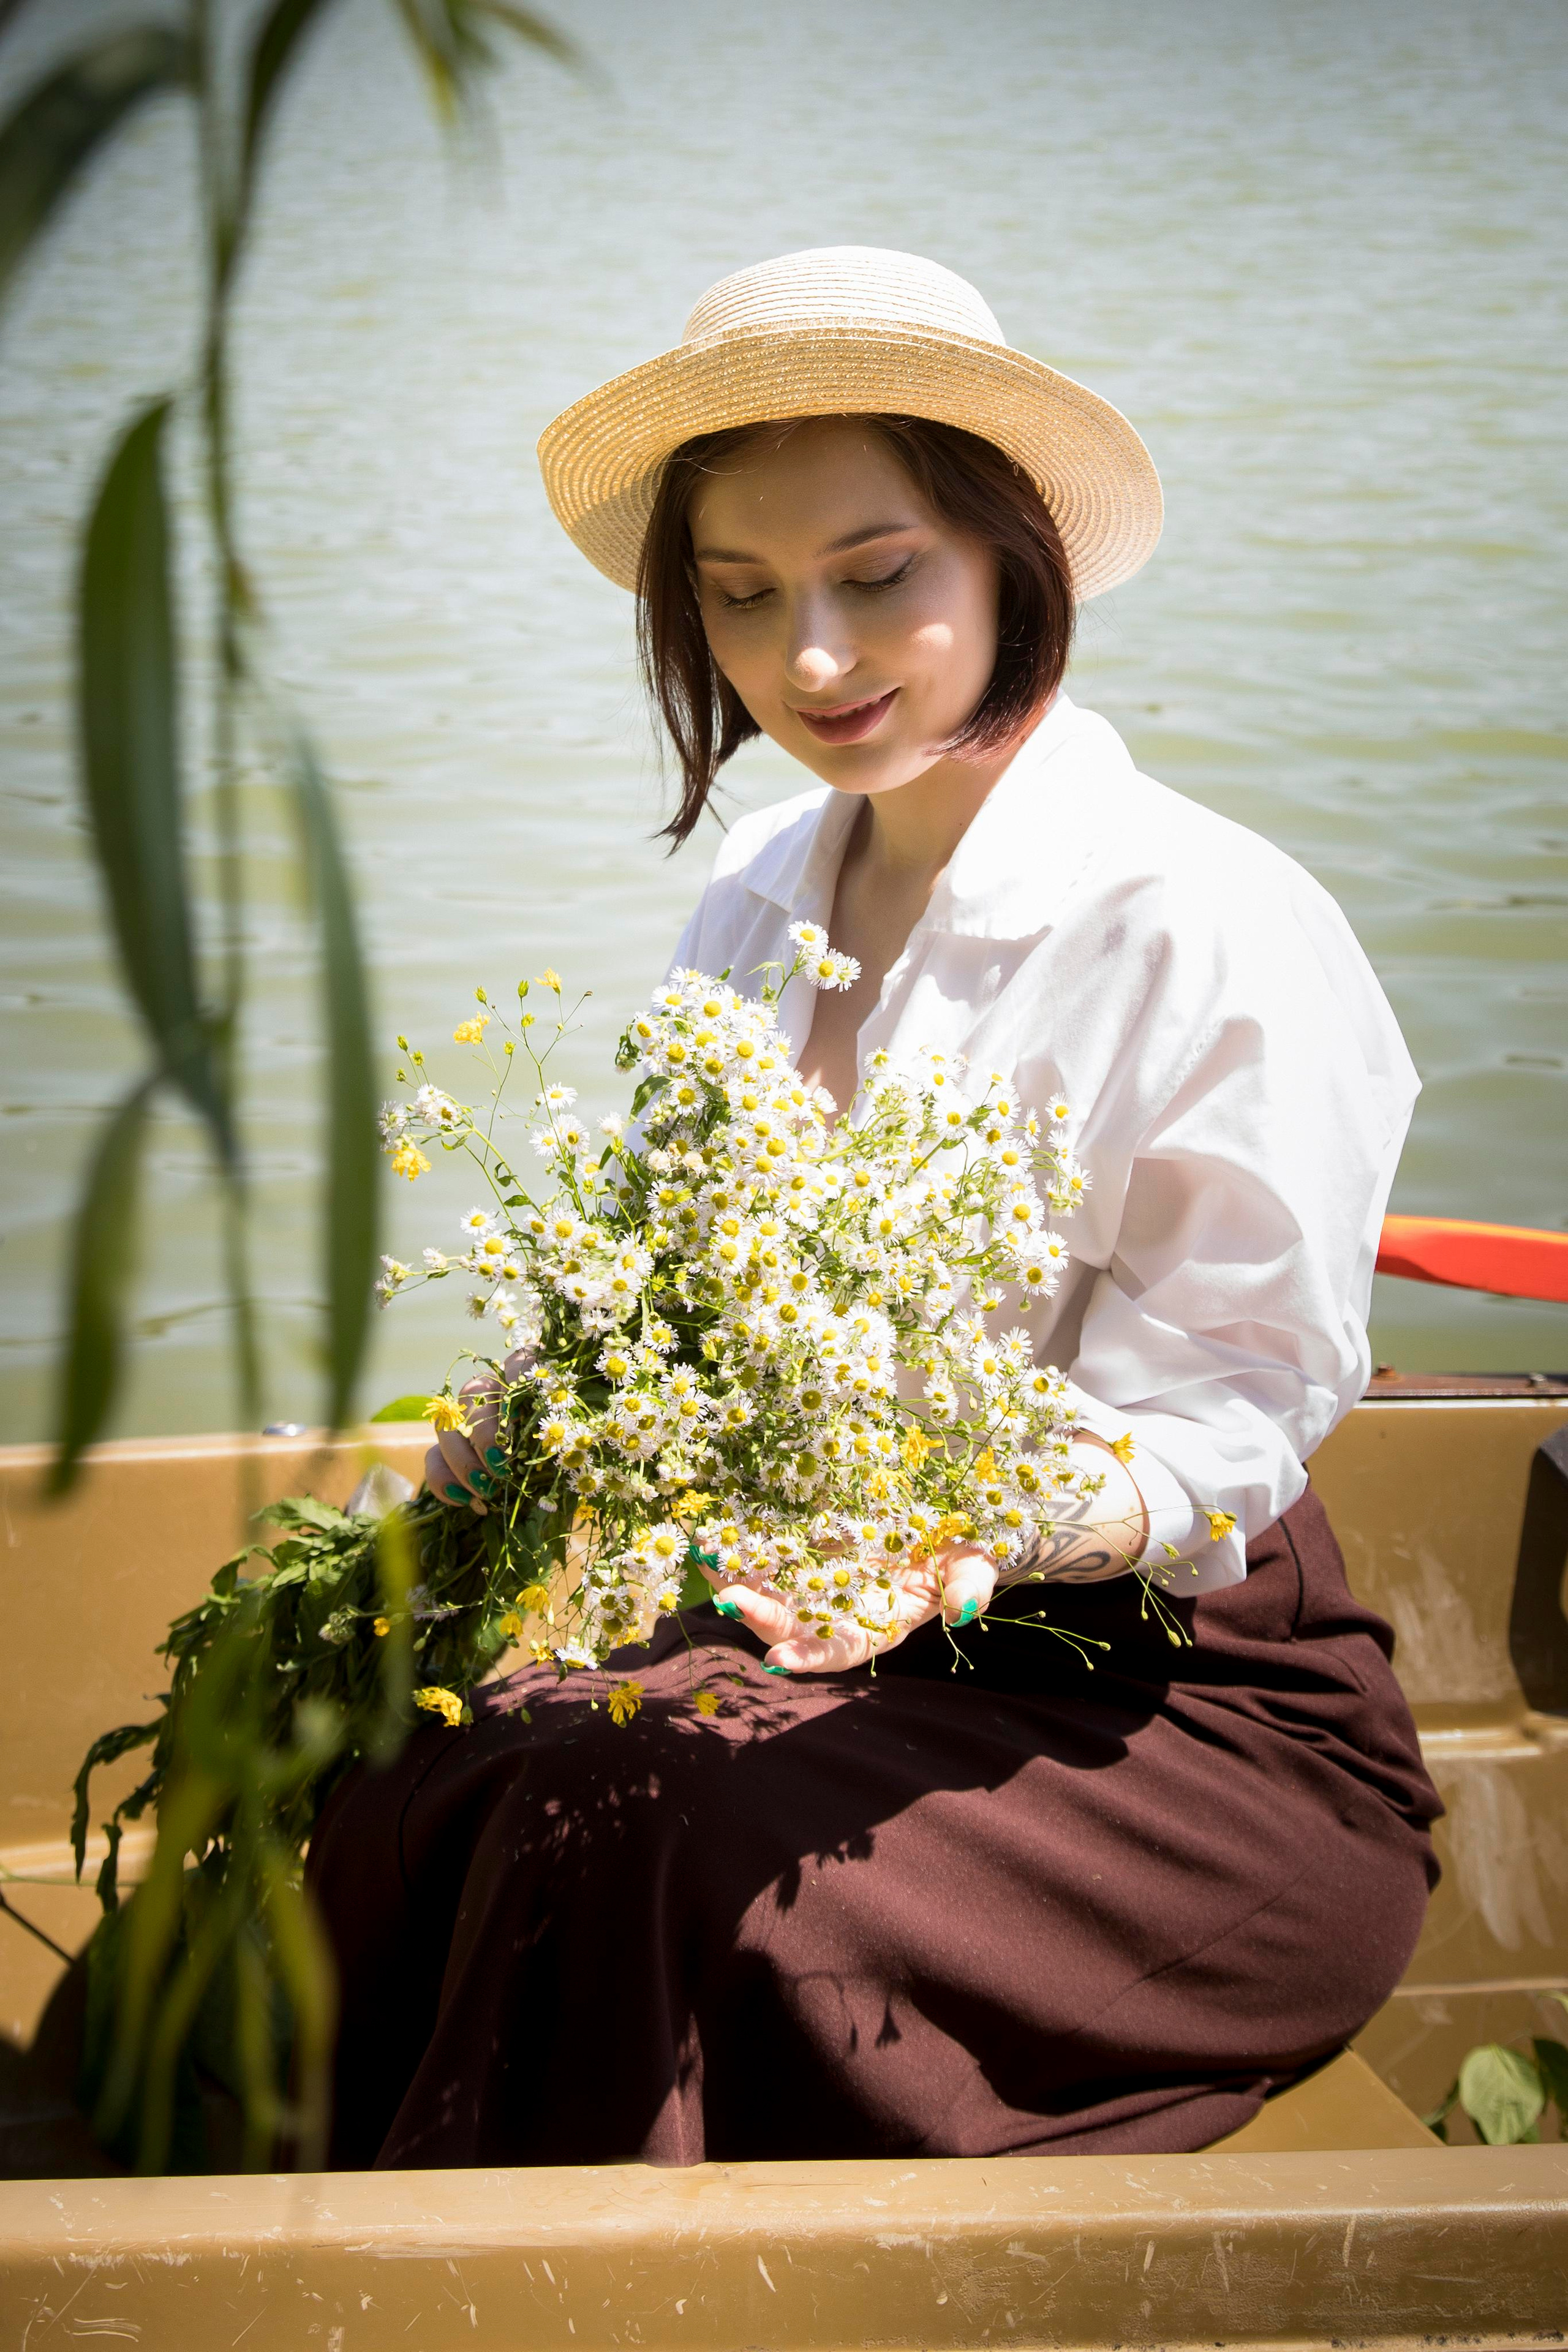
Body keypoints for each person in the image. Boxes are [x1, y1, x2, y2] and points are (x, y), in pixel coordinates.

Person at [310, 247, 1441, 2168]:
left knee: (660, 1835)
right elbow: (674, 1283)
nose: (809, 660)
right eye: (740, 597)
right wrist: (530, 1417)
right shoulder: (761, 884)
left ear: (1011, 549)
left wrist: (957, 1528)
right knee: (424, 1739)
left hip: (1172, 1699)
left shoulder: (1211, 923)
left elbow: (1223, 1440)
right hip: (831, 1608)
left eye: (878, 571)